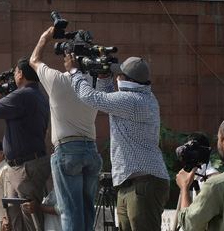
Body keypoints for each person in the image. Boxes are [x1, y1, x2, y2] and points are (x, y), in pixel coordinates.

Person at [64, 55, 170, 231]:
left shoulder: (134, 101)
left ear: (129, 80)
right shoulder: (138, 97)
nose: (117, 77)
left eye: (119, 75)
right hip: (131, 184)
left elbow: (92, 98)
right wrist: (104, 78)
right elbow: (110, 99)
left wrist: (75, 72)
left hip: (143, 185)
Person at [30, 26, 103, 230]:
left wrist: (44, 37)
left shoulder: (57, 80)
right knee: (88, 209)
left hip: (68, 150)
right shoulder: (93, 83)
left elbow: (34, 60)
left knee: (69, 211)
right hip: (91, 149)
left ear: (68, 57)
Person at [0, 56, 51, 231]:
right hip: (18, 167)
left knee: (30, 219)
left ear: (20, 74)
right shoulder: (36, 95)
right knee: (13, 218)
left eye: (15, 74)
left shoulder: (24, 95)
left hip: (26, 167)